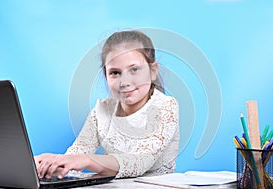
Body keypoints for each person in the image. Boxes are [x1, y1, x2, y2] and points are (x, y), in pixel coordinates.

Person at [35, 30, 180, 179]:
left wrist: (87, 160)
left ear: (153, 71)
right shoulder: (102, 110)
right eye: (115, 73)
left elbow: (139, 161)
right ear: (106, 76)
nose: (125, 82)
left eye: (134, 69)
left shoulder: (165, 107)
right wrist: (49, 163)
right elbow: (76, 155)